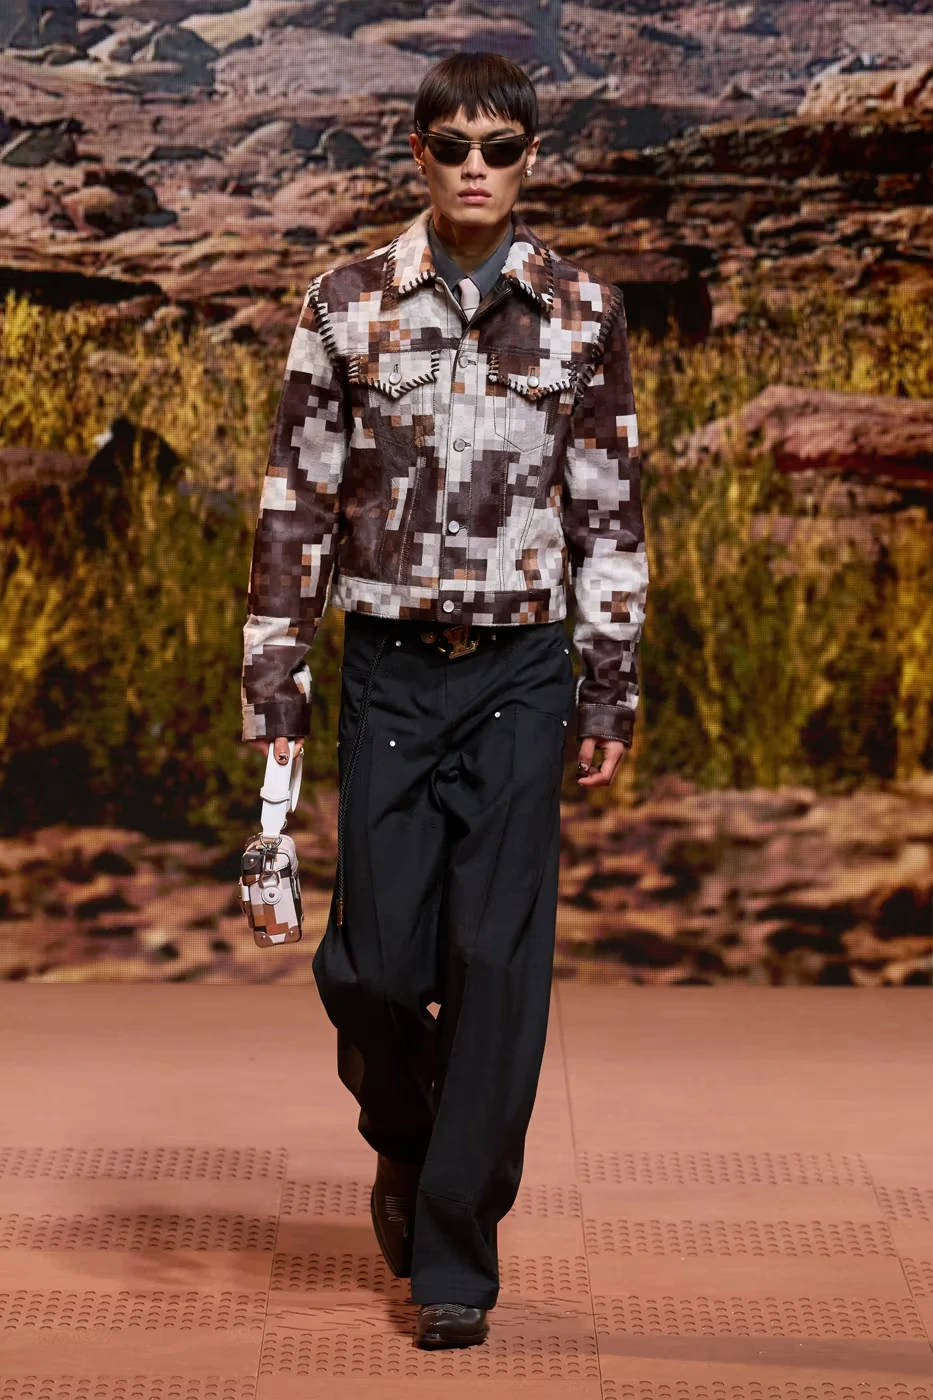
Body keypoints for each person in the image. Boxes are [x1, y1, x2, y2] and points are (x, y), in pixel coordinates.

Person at [242, 51, 648, 1350]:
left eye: (501, 146)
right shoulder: (346, 302)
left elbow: (609, 510)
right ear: (417, 154)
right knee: (370, 969)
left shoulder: (583, 310)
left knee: (494, 966)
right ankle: (411, 1138)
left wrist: (610, 683)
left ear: (530, 157)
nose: (478, 167)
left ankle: (453, 1253)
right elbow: (296, 498)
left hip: (523, 672)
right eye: (454, 145)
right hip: (392, 670)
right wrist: (273, 671)